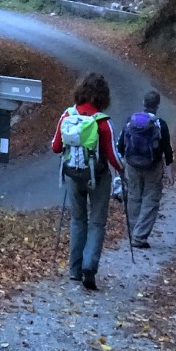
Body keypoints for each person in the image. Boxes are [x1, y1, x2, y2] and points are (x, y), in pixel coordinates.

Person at [51, 72, 123, 290]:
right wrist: (122, 171)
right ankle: (89, 266)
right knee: (97, 222)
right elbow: (112, 156)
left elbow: (55, 147)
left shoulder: (67, 116)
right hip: (98, 177)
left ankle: (74, 270)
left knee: (77, 220)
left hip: (73, 175)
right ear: (103, 96)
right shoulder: (102, 122)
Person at [115, 89, 175, 249]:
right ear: (157, 106)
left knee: (134, 196)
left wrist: (121, 164)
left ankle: (134, 231)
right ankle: (139, 237)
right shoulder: (160, 124)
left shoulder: (131, 121)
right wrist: (169, 169)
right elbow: (167, 148)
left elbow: (121, 145)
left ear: (144, 104)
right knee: (151, 199)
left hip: (132, 165)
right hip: (152, 166)